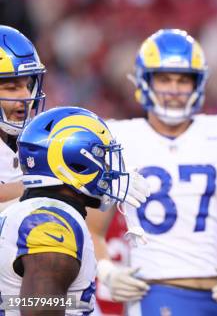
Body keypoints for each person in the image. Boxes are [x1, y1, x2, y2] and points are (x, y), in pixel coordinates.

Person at [86, 29, 217, 315]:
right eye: (164, 79)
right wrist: (106, 270)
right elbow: (92, 227)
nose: (173, 89)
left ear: (199, 83)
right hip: (154, 290)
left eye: (183, 80)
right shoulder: (117, 137)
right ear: (145, 81)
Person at [0, 106, 149, 316]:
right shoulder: (52, 223)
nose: (108, 170)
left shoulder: (32, 211)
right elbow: (40, 309)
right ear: (76, 163)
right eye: (101, 156)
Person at [0, 26, 45, 210]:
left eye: (28, 85)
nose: (26, 96)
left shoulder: (35, 140)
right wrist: (50, 183)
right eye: (12, 87)